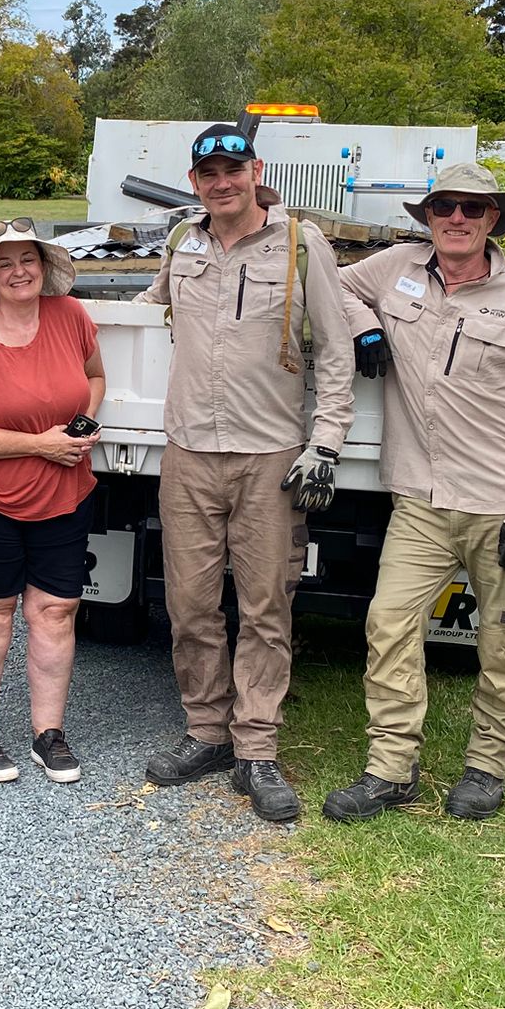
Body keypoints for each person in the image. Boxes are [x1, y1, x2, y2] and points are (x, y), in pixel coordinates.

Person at [323, 162, 505, 825]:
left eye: (472, 208)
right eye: (443, 208)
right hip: (422, 502)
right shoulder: (397, 267)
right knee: (388, 625)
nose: (456, 219)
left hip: (502, 505)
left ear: (493, 220)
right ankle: (391, 768)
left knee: (503, 643)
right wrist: (362, 326)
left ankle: (487, 767)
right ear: (426, 217)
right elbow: (331, 281)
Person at [142, 123, 356, 823]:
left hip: (268, 458)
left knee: (266, 608)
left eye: (233, 168)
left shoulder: (300, 245)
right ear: (195, 179)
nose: (221, 181)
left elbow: (335, 349)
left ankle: (256, 749)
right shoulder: (183, 243)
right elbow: (146, 316)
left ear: (255, 170)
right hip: (189, 455)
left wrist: (324, 444)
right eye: (208, 172)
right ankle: (206, 733)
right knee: (191, 607)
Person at [0, 218, 104, 786]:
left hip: (64, 490)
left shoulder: (72, 317)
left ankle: (48, 734)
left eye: (28, 259)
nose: (19, 271)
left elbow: (94, 376)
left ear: (44, 265)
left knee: (55, 610)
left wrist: (84, 427)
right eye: (4, 262)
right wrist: (42, 444)